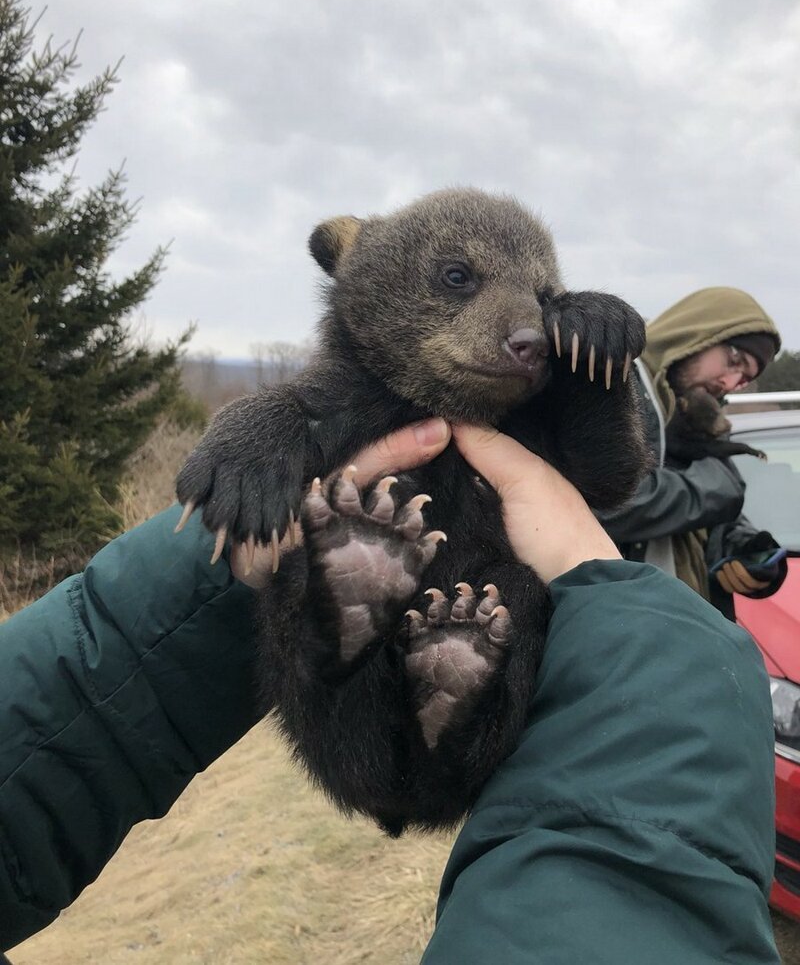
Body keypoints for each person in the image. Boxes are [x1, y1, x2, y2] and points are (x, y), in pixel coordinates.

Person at [0, 419, 780, 962]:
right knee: (403, 626)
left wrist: (214, 553)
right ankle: (393, 658)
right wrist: (642, 633)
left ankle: (400, 664)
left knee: (410, 628)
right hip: (402, 696)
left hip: (419, 680)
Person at [600, 286, 787, 620]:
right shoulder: (610, 384)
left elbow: (713, 518)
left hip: (686, 632)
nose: (730, 382)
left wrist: (743, 549)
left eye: (743, 379)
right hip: (616, 629)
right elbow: (602, 504)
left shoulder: (697, 413)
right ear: (696, 333)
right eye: (734, 361)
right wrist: (711, 489)